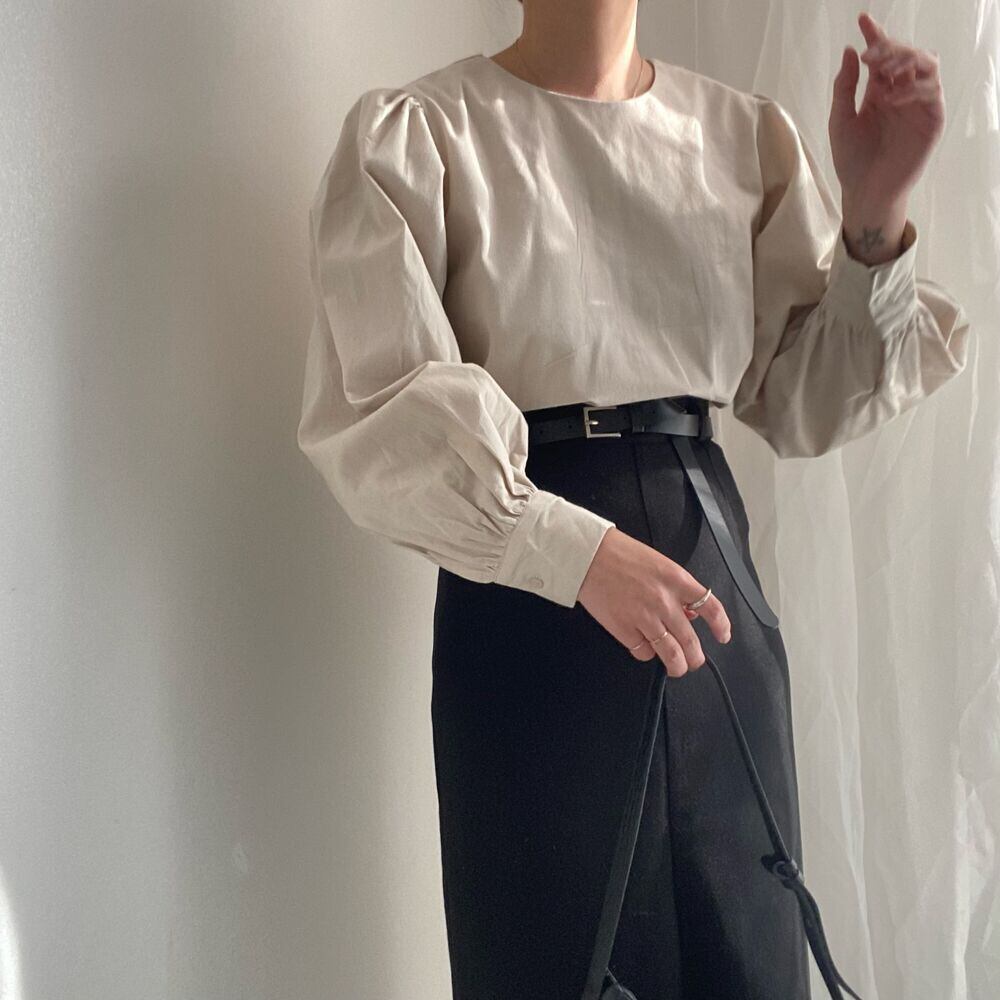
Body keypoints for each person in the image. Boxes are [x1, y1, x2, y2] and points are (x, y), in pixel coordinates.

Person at [297, 4, 970, 998]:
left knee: (747, 945)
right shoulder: (421, 135)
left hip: (709, 577)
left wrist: (872, 213)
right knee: (551, 951)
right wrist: (568, 549)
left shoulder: (741, 136)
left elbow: (804, 397)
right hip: (533, 593)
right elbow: (382, 407)